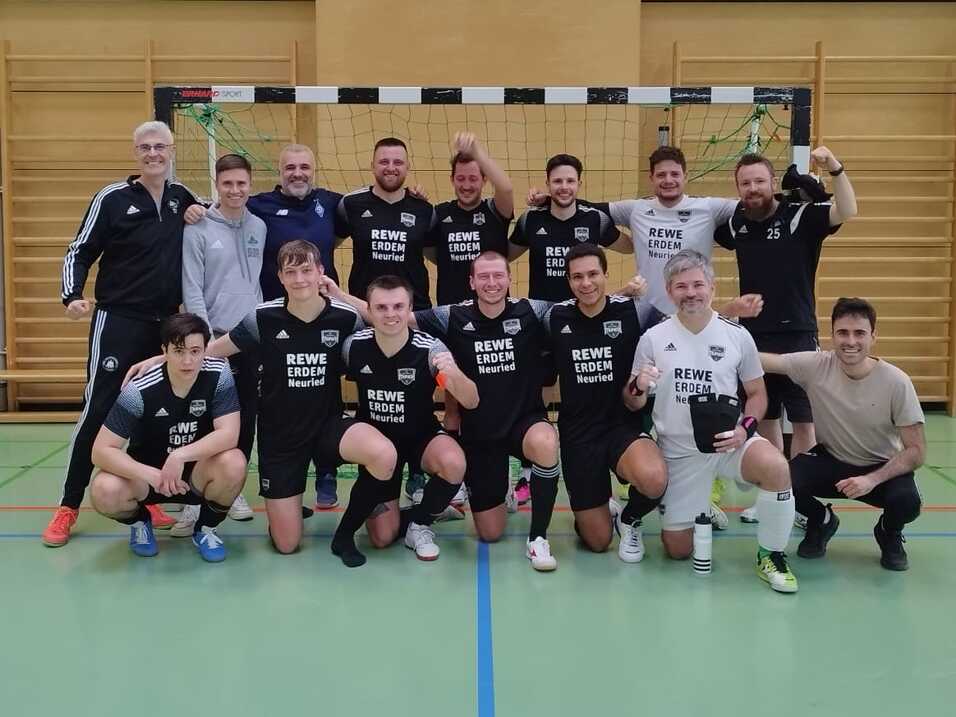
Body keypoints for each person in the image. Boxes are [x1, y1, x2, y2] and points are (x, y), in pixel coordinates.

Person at [45, 120, 201, 547]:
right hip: (118, 321)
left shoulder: (180, 196)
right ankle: (67, 505)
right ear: (136, 153)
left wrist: (198, 210)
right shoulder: (112, 198)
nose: (154, 154)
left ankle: (143, 496)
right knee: (99, 411)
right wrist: (71, 296)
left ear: (171, 151)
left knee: (151, 416)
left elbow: (217, 208)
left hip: (165, 325)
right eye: (145, 148)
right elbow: (79, 249)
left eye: (160, 147)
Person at [205, 240, 397, 562]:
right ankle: (286, 509)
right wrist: (159, 361)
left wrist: (339, 294)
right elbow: (210, 351)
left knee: (382, 454)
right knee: (287, 544)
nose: (299, 279)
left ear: (321, 272)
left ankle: (352, 521)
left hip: (329, 427)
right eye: (291, 272)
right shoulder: (262, 318)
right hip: (280, 436)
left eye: (307, 270)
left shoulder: (344, 317)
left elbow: (386, 321)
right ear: (280, 277)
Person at [624, 249, 798, 593]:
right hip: (679, 450)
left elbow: (758, 394)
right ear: (669, 290)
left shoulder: (736, 335)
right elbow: (632, 401)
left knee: (777, 468)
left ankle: (772, 555)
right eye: (681, 286)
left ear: (712, 288)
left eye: (697, 284)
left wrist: (743, 430)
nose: (690, 292)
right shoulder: (653, 339)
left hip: (730, 442)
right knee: (677, 551)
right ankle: (699, 501)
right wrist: (639, 385)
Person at [184, 143, 346, 509]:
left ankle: (318, 473)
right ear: (278, 172)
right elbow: (219, 211)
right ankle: (202, 490)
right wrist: (189, 207)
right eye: (290, 167)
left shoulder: (325, 205)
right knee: (221, 413)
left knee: (270, 408)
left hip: (288, 329)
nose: (298, 173)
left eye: (305, 166)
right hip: (245, 331)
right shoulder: (254, 209)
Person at [715, 148, 857, 481]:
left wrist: (835, 168)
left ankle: (800, 494)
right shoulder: (737, 222)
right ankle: (776, 485)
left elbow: (848, 210)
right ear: (738, 188)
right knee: (765, 415)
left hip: (797, 332)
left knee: (803, 420)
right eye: (745, 183)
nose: (753, 188)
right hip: (753, 335)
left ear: (773, 182)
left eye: (760, 181)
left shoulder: (799, 216)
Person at [759, 297, 924, 571]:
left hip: (880, 467)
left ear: (874, 336)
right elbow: (766, 361)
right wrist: (712, 337)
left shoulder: (897, 382)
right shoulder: (816, 365)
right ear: (832, 335)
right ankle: (820, 520)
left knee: (907, 502)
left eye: (859, 333)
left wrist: (871, 479)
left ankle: (889, 532)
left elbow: (917, 451)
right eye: (842, 332)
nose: (850, 341)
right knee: (781, 478)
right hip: (832, 460)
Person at [337, 275, 478, 562]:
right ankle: (430, 506)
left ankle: (421, 522)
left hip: (420, 437)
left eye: (398, 306)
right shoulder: (353, 346)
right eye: (382, 308)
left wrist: (453, 376)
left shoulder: (430, 348)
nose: (391, 315)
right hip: (379, 449)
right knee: (381, 538)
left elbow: (471, 400)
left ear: (409, 308)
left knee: (454, 462)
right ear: (371, 311)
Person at [543, 243, 667, 562]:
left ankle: (630, 518)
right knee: (597, 542)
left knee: (654, 479)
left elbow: (679, 330)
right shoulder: (555, 317)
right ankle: (598, 511)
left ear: (606, 275)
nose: (586, 283)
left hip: (621, 425)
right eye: (577, 277)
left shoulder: (634, 310)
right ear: (568, 281)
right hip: (578, 434)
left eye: (593, 274)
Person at [88, 313, 247, 562]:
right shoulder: (139, 389)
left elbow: (229, 434)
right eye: (179, 351)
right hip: (148, 479)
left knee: (234, 462)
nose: (187, 360)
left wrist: (180, 455)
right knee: (103, 489)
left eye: (196, 351)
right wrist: (153, 475)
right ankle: (140, 523)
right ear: (164, 351)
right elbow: (101, 450)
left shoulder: (218, 372)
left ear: (206, 350)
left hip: (197, 474)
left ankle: (205, 529)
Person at [179, 153, 266, 531]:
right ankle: (190, 498)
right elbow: (192, 287)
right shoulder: (197, 228)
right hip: (213, 338)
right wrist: (205, 339)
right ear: (217, 184)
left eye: (241, 183)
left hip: (249, 338)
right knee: (202, 418)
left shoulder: (259, 227)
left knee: (246, 417)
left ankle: (233, 489)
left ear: (250, 185)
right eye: (227, 183)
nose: (235, 190)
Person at [337, 137, 436, 311]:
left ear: (408, 167)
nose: (391, 168)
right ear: (372, 166)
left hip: (414, 311)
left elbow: (435, 256)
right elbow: (329, 245)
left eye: (398, 162)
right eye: (384, 162)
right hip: (365, 309)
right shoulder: (350, 205)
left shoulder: (425, 210)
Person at [510, 153, 625, 303]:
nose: (564, 187)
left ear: (579, 184)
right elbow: (504, 256)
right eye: (557, 181)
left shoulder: (595, 219)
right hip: (543, 314)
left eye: (570, 181)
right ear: (548, 184)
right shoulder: (531, 219)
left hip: (582, 313)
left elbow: (630, 247)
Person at [426, 132, 514, 305]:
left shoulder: (495, 211)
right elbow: (431, 253)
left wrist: (477, 152)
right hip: (452, 310)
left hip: (494, 308)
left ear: (484, 180)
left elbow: (506, 189)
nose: (466, 186)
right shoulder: (439, 213)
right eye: (460, 179)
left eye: (473, 179)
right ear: (452, 180)